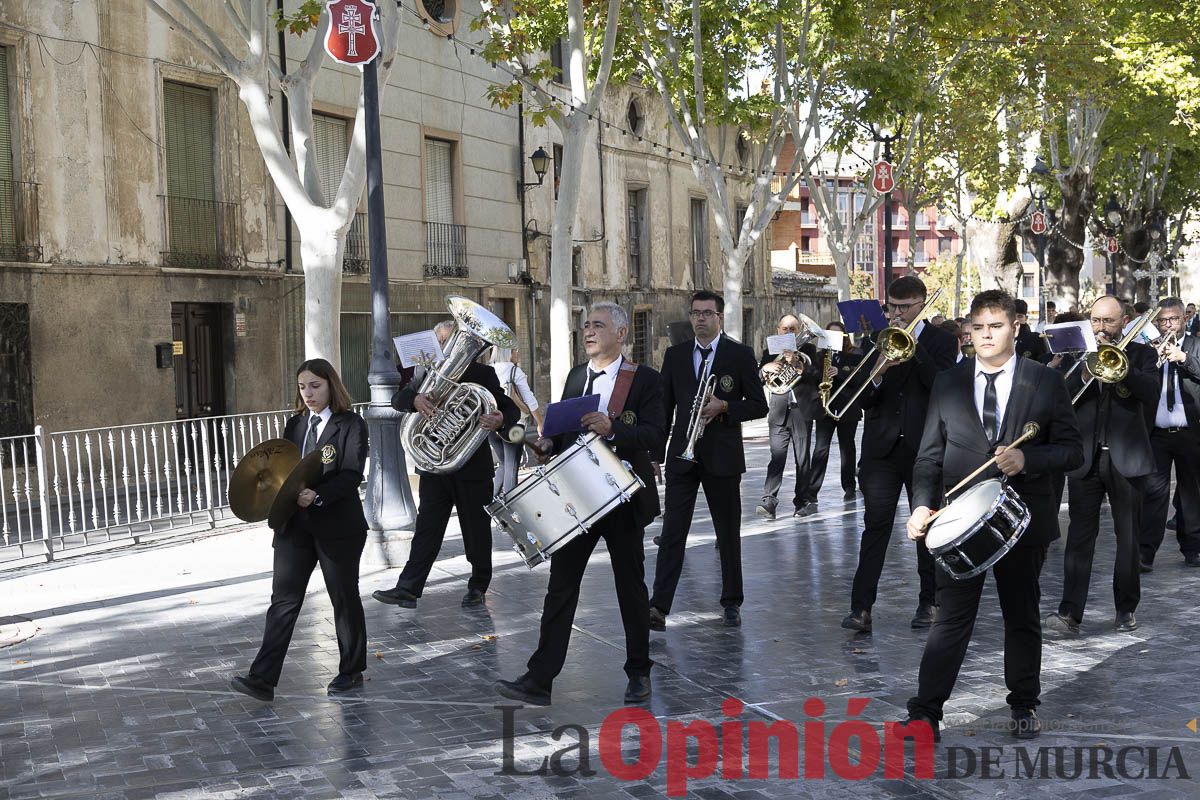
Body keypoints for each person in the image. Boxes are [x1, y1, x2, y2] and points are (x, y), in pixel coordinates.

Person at [903, 290, 1082, 741]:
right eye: (978, 327)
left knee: (1020, 612)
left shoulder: (1044, 381)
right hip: (960, 522)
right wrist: (922, 503)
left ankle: (1023, 704)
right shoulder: (948, 382)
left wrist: (1029, 461)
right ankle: (925, 713)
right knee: (950, 619)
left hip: (1022, 520)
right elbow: (928, 457)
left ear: (1015, 328)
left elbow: (1072, 451)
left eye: (995, 326)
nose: (985, 335)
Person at [494, 302, 665, 706]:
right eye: (585, 325)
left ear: (621, 334)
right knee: (560, 588)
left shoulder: (643, 380)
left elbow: (656, 435)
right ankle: (540, 679)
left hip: (620, 497)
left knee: (631, 588)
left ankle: (639, 672)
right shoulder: (575, 376)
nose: (588, 332)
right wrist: (546, 445)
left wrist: (615, 430)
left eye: (598, 326)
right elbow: (564, 432)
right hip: (576, 497)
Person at [231, 359, 370, 701]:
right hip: (295, 525)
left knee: (343, 597)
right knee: (283, 600)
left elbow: (352, 474)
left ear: (331, 386)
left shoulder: (351, 424)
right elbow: (285, 470)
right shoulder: (294, 424)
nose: (308, 393)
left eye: (315, 386)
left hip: (338, 526)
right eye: (302, 386)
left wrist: (318, 496)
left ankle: (351, 672)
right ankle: (262, 679)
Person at [372, 320, 519, 610]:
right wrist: (414, 399)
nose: (445, 349)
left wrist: (500, 418)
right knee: (427, 529)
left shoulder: (483, 374)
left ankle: (478, 586)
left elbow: (510, 408)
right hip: (435, 468)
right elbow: (398, 398)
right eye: (441, 344)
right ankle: (408, 589)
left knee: (476, 532)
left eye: (449, 343)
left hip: (471, 468)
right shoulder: (424, 372)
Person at [841, 275, 957, 633]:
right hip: (881, 451)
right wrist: (877, 373)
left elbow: (942, 384)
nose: (896, 314)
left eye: (904, 307)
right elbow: (862, 399)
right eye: (891, 306)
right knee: (874, 528)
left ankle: (929, 602)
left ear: (922, 303)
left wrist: (913, 348)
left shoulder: (941, 341)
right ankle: (861, 608)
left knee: (927, 528)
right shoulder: (876, 340)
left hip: (925, 448)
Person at [649, 290, 768, 629]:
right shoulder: (675, 355)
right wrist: (655, 454)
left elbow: (759, 404)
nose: (700, 318)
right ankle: (658, 605)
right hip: (682, 456)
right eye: (695, 313)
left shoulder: (740, 354)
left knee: (727, 532)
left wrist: (726, 407)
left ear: (719, 318)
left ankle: (731, 601)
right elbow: (663, 407)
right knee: (673, 532)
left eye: (707, 313)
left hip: (723, 456)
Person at [1046, 296, 1158, 635]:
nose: (1101, 328)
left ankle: (1125, 609)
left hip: (1126, 459)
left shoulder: (1143, 354)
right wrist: (1082, 373)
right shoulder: (1076, 357)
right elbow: (1058, 397)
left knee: (1128, 539)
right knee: (1079, 538)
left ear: (1123, 321)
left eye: (1108, 321)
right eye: (1095, 321)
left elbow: (1150, 391)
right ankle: (1070, 612)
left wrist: (1122, 369)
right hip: (1087, 458)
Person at [1138, 297, 1200, 569]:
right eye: (1162, 320)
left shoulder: (1196, 345)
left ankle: (1193, 548)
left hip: (1191, 431)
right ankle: (1145, 553)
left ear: (1184, 319)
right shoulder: (1149, 349)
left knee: (1192, 493)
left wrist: (1183, 358)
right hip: (1157, 433)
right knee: (1153, 494)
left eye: (1173, 319)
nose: (1167, 325)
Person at [755, 313, 821, 519]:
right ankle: (769, 501)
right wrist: (766, 367)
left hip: (801, 410)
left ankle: (802, 501)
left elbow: (817, 376)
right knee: (777, 457)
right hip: (778, 411)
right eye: (785, 329)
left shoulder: (809, 350)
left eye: (793, 329)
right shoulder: (770, 351)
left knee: (802, 459)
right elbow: (759, 378)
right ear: (778, 330)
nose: (789, 332)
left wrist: (797, 366)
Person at [805, 321, 864, 503]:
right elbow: (811, 379)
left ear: (844, 336)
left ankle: (849, 486)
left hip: (847, 407)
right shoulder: (819, 356)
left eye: (837, 335)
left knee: (847, 447)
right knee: (821, 448)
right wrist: (818, 371)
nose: (833, 338)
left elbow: (859, 379)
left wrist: (838, 372)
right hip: (825, 406)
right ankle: (812, 490)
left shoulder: (855, 354)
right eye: (829, 335)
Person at [488, 346, 545, 497]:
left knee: (503, 463)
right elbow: (530, 400)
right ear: (507, 352)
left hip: (491, 424)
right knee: (512, 466)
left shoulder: (488, 369)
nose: (518, 353)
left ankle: (489, 500)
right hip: (513, 424)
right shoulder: (514, 371)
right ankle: (510, 506)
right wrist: (540, 423)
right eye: (515, 350)